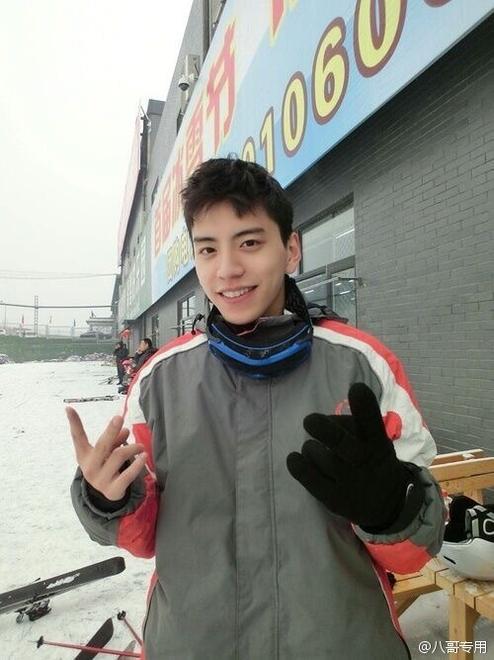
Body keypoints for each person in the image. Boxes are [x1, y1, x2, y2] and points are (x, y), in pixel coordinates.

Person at [67, 158, 445, 660]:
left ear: (291, 249)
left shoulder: (364, 365)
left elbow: (416, 552)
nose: (227, 269)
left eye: (249, 242)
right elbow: (142, 539)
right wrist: (108, 499)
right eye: (208, 249)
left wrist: (391, 508)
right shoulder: (159, 380)